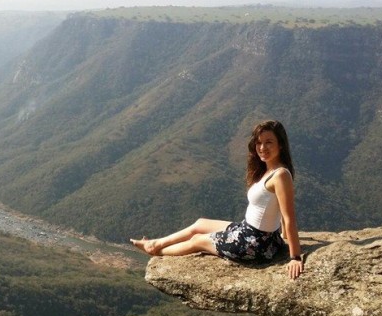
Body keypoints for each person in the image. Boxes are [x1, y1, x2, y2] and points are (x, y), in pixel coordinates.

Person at [130, 120, 304, 280]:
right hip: (249, 231)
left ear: (280, 145)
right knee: (200, 223)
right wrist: (283, 235)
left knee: (198, 240)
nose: (262, 147)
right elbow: (279, 207)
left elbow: (289, 217)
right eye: (259, 142)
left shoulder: (280, 175)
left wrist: (295, 257)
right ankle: (155, 244)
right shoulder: (269, 170)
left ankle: (157, 252)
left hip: (255, 243)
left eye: (269, 142)